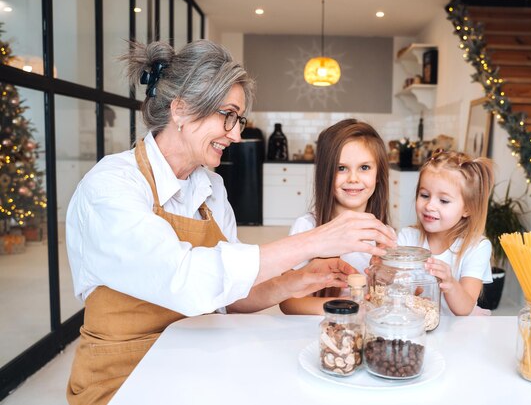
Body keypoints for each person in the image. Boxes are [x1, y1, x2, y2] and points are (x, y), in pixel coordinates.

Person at [65, 41, 396, 405]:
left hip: (193, 357)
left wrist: (298, 279)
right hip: (124, 376)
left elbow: (230, 296)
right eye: (229, 116)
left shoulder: (211, 188)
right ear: (182, 109)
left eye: (238, 120)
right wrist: (314, 241)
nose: (236, 134)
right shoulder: (111, 185)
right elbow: (184, 280)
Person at [280, 119, 391, 315]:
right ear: (325, 174)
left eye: (364, 168)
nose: (353, 178)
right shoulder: (307, 227)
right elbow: (288, 303)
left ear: (378, 175)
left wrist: (387, 276)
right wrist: (347, 307)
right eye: (341, 168)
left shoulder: (384, 234)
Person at [397, 149, 494, 316]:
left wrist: (449, 283)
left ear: (467, 209)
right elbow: (396, 291)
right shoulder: (407, 237)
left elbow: (464, 309)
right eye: (424, 195)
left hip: (457, 332)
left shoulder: (477, 247)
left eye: (443, 200)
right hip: (416, 326)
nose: (430, 206)